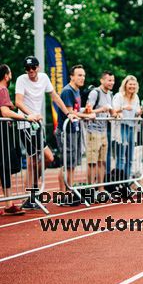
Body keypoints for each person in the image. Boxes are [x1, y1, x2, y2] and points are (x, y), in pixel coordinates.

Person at [0, 64, 40, 217]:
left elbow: (0, 108)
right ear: (6, 76)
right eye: (10, 73)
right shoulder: (1, 89)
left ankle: (8, 204)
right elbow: (5, 112)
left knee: (4, 168)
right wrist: (28, 117)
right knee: (1, 169)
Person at [15, 56, 72, 209]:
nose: (30, 71)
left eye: (33, 68)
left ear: (38, 67)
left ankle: (33, 187)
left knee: (48, 158)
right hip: (25, 124)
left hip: (37, 124)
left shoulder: (44, 78)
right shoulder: (21, 80)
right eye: (28, 69)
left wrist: (68, 113)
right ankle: (31, 196)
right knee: (32, 160)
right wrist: (29, 115)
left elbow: (55, 97)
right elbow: (18, 102)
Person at [55, 65, 95, 193]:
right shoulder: (68, 91)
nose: (82, 78)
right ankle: (63, 194)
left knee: (72, 164)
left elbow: (76, 110)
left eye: (83, 75)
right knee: (66, 165)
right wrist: (87, 115)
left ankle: (69, 190)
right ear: (71, 76)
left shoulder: (77, 90)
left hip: (74, 130)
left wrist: (86, 111)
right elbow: (71, 112)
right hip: (66, 132)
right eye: (79, 75)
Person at [85, 71, 115, 195]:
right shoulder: (95, 93)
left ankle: (101, 188)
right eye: (109, 80)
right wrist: (102, 109)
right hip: (93, 130)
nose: (111, 83)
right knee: (92, 161)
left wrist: (115, 115)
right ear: (102, 80)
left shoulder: (110, 94)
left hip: (104, 131)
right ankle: (91, 188)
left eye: (113, 80)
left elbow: (112, 112)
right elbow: (88, 110)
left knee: (102, 161)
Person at [112, 75, 141, 180]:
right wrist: (124, 107)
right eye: (130, 84)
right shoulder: (118, 96)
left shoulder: (136, 97)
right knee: (121, 156)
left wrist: (140, 111)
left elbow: (137, 112)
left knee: (130, 157)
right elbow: (113, 111)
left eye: (134, 84)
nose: (132, 86)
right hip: (121, 127)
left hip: (131, 127)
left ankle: (127, 181)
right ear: (125, 85)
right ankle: (119, 180)